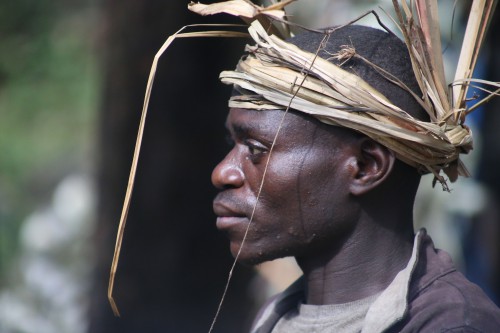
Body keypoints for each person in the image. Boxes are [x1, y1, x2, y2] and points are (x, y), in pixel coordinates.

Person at [210, 22, 500, 332]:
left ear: (365, 166)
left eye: (256, 148)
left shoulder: (452, 325)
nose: (223, 173)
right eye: (233, 144)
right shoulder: (277, 318)